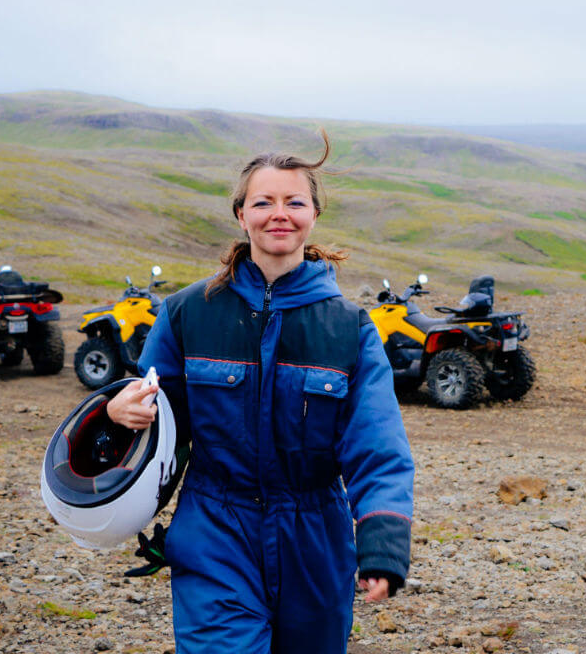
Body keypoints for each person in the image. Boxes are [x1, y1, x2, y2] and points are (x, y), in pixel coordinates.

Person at [105, 132, 415, 652]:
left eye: (294, 202)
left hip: (315, 539)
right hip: (215, 529)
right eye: (263, 202)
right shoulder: (187, 313)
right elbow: (154, 408)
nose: (280, 213)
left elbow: (377, 443)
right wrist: (117, 410)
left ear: (314, 214)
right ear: (240, 215)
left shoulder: (349, 328)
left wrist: (382, 545)